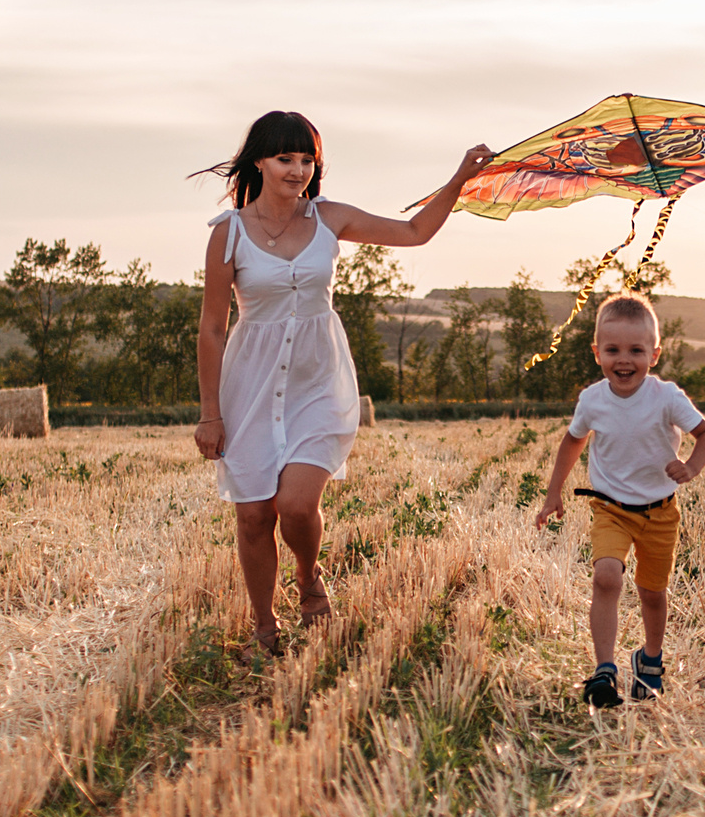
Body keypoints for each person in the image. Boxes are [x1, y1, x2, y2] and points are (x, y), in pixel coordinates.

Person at [194, 112, 492, 653]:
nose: (299, 170)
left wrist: (459, 180)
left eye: (308, 159)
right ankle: (265, 623)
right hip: (250, 389)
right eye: (286, 158)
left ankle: (308, 578)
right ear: (259, 160)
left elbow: (413, 233)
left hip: (318, 383)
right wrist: (210, 413)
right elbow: (213, 328)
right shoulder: (228, 234)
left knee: (298, 504)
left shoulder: (329, 219)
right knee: (255, 513)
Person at [531, 292, 705, 707]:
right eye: (613, 350)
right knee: (606, 577)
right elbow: (573, 441)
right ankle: (605, 670)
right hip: (609, 507)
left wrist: (691, 466)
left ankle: (649, 659)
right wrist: (553, 492)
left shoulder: (667, 396)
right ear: (597, 352)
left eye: (636, 350)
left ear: (654, 354)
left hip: (660, 513)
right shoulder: (592, 400)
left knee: (652, 592)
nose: (624, 360)